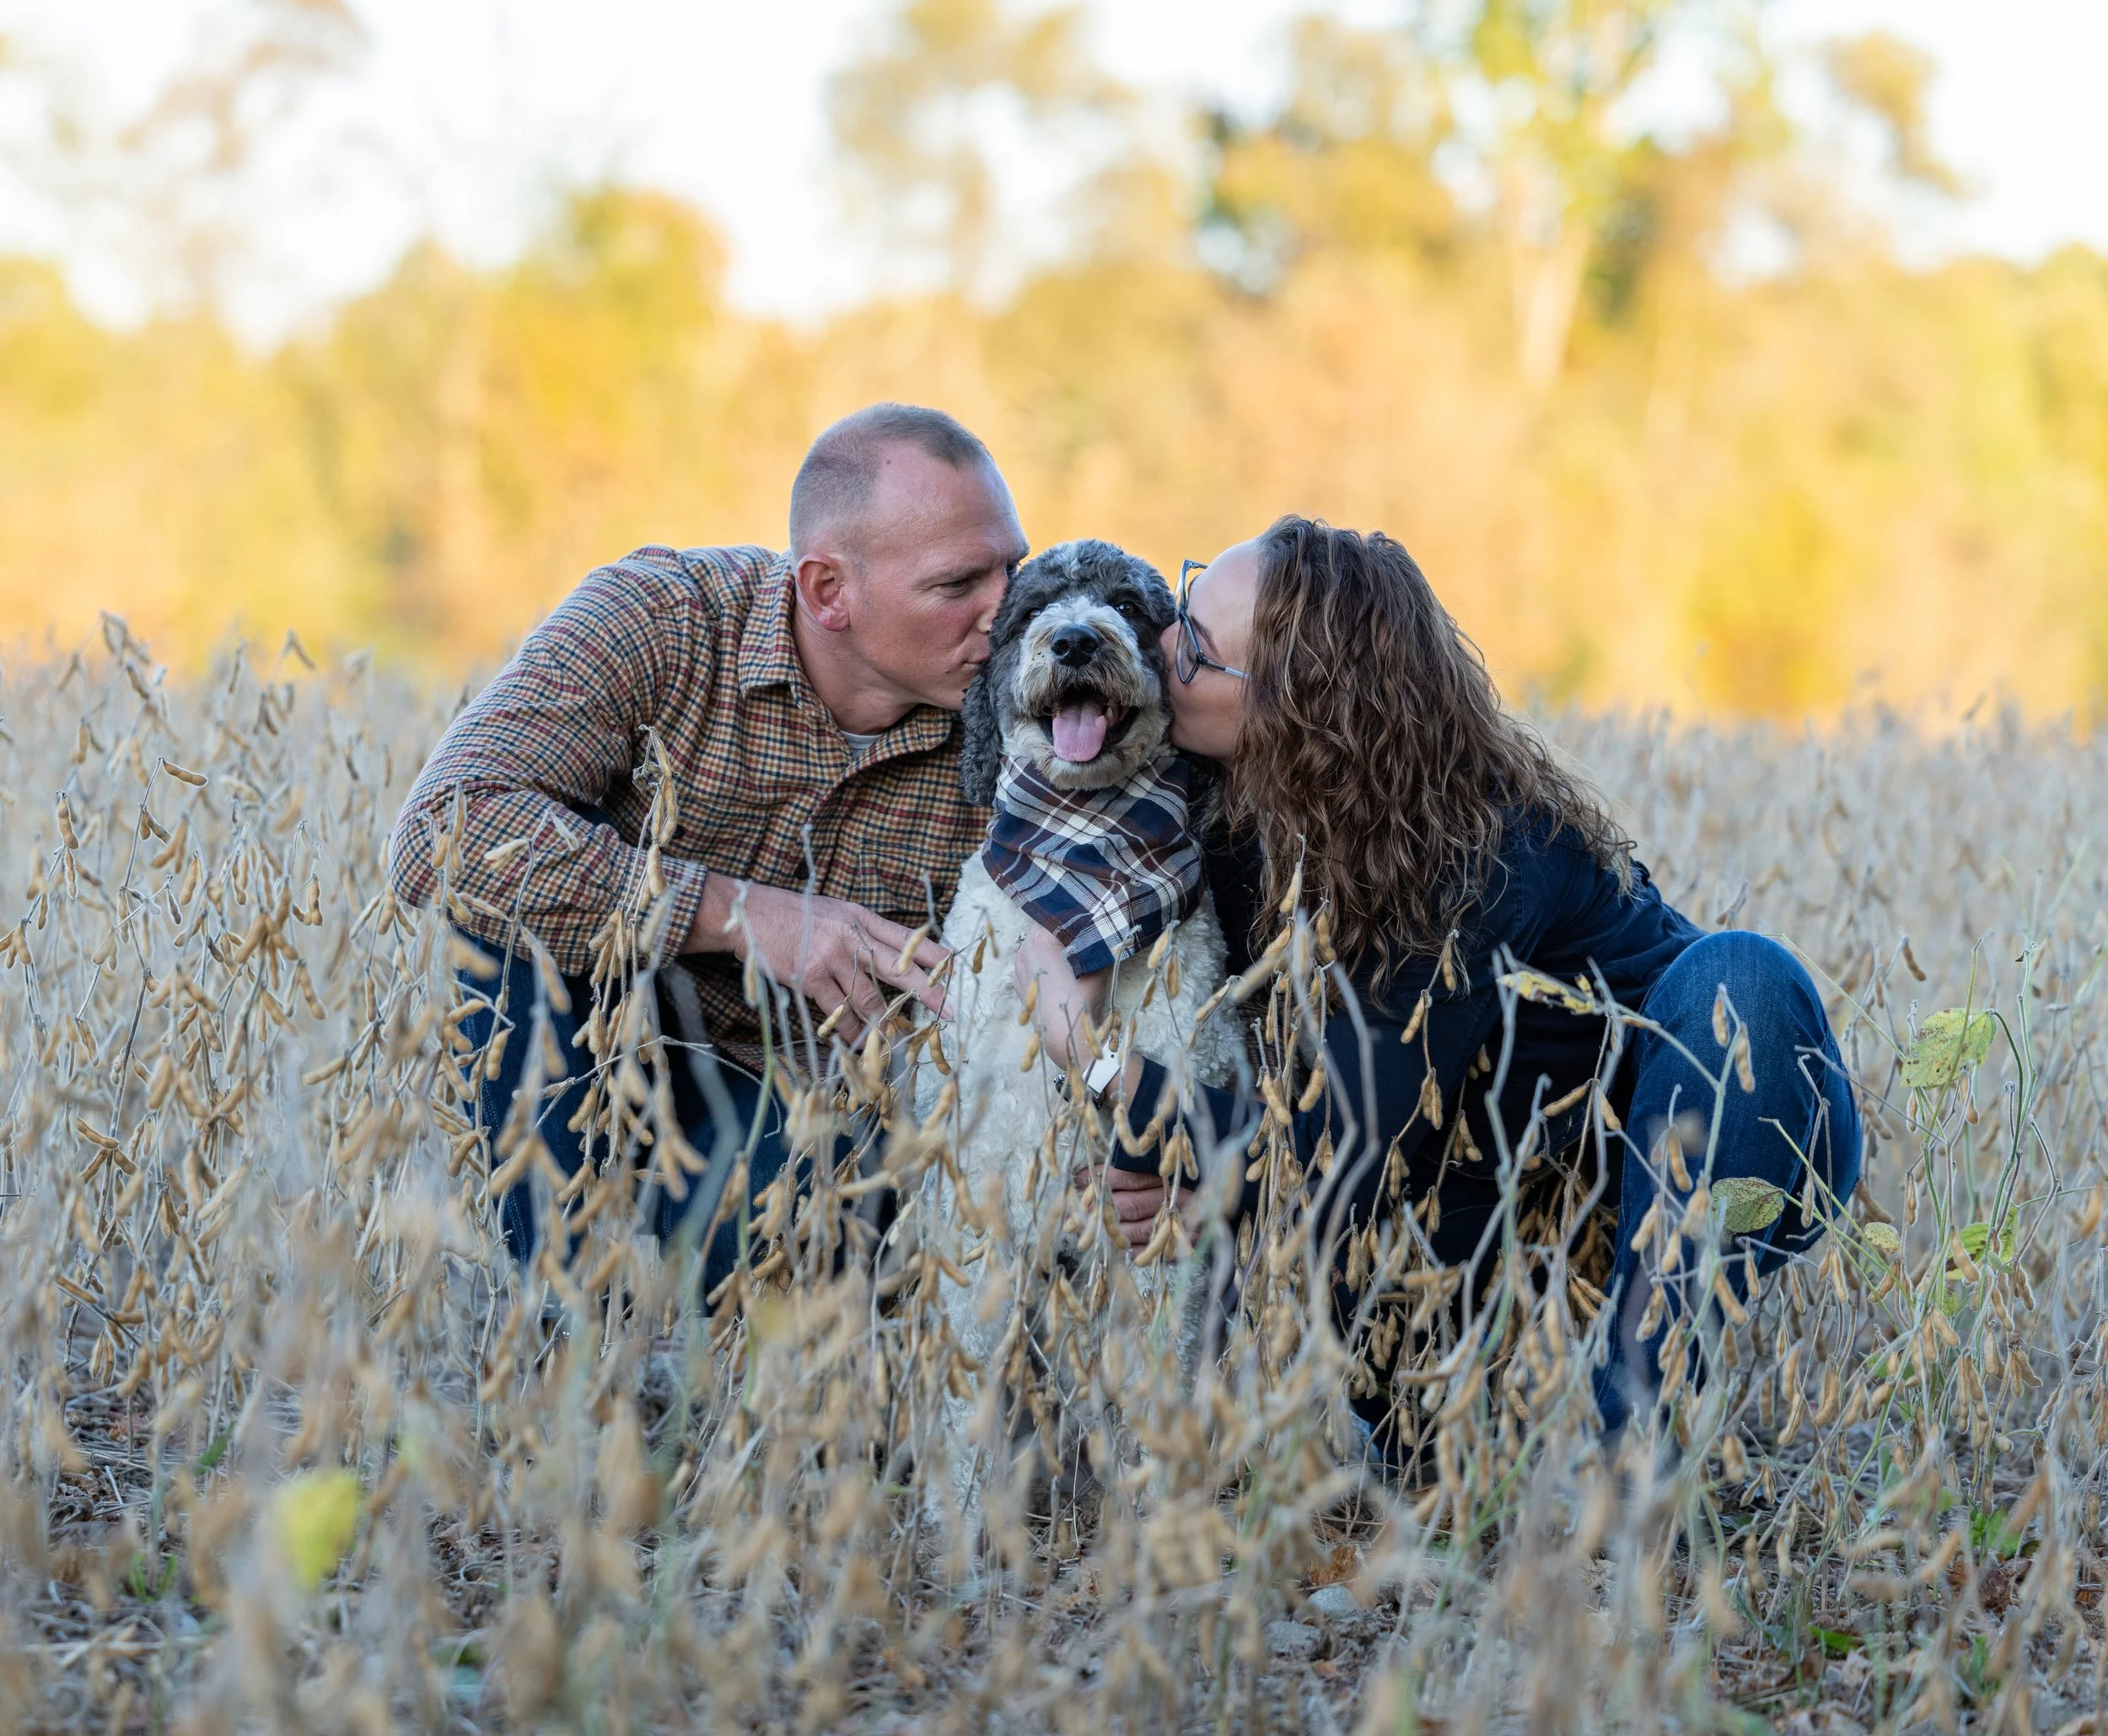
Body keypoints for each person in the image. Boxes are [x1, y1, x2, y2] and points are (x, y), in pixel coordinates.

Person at [1016, 515, 1862, 1443]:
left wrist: (1090, 1055)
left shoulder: (1486, 849)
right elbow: (1319, 1148)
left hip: (1713, 1129)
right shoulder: (1227, 816)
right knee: (1426, 1448)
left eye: (1197, 651)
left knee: (1740, 973)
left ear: (1295, 711)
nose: (1161, 646)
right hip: (1478, 1164)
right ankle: (1444, 1441)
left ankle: (1639, 1449)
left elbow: (1335, 1145)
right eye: (1181, 611)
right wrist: (1203, 1165)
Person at [387, 403, 1029, 1293]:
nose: (1008, 614)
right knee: (500, 929)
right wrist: (737, 913)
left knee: (832, 1223)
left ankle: (736, 1297)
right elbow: (445, 828)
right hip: (603, 1047)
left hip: (801, 1108)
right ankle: (567, 1326)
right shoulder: (664, 620)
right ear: (828, 590)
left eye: (1014, 569)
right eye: (959, 585)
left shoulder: (1039, 715)